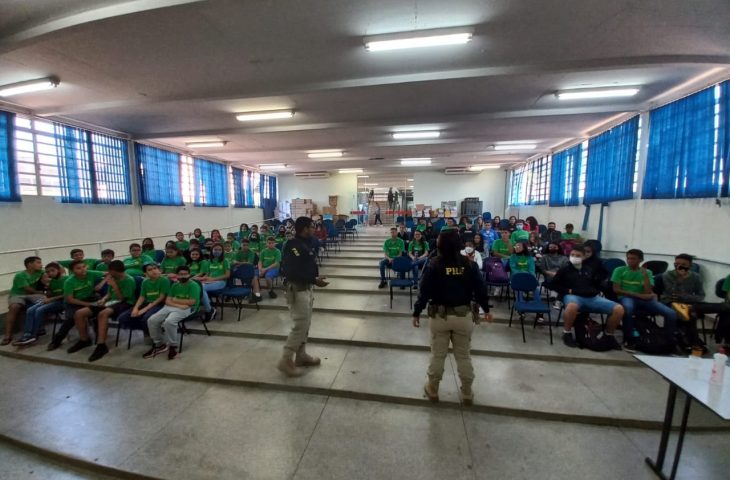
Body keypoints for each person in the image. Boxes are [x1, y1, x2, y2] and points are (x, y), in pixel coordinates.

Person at [412, 228, 492, 405]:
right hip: (463, 317)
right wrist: (486, 309)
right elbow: (480, 289)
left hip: (439, 317)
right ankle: (467, 392)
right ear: (459, 244)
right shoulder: (469, 265)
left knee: (437, 355)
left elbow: (424, 291)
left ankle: (432, 389)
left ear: (440, 244)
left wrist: (417, 312)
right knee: (463, 356)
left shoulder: (434, 264)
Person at [277, 216, 329, 376]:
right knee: (300, 325)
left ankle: (301, 355)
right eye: (311, 227)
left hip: (307, 287)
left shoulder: (307, 242)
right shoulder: (292, 245)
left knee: (306, 324)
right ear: (305, 228)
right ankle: (285, 360)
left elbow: (308, 262)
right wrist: (313, 279)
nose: (314, 229)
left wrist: (314, 279)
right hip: (297, 289)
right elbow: (292, 271)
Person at [551, 245, 623, 349]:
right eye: (572, 255)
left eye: (578, 255)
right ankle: (567, 333)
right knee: (571, 306)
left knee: (618, 309)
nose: (574, 257)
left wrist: (596, 289)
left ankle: (609, 336)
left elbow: (598, 283)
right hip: (573, 297)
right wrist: (568, 290)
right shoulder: (565, 269)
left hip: (592, 298)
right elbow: (553, 284)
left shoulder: (590, 269)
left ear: (584, 257)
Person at [64, 260, 135, 362]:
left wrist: (115, 286)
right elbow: (109, 294)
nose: (108, 273)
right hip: (111, 302)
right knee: (79, 313)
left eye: (110, 271)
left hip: (125, 303)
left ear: (115, 271)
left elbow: (121, 299)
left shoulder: (128, 280)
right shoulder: (112, 277)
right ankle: (84, 340)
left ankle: (101, 345)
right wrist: (103, 299)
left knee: (103, 314)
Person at [612, 249, 677, 352]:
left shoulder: (647, 272)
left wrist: (645, 276)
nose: (630, 261)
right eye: (628, 258)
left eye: (633, 259)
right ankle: (629, 339)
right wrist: (638, 295)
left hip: (644, 299)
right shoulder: (619, 270)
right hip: (626, 297)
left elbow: (648, 291)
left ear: (640, 260)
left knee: (671, 313)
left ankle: (668, 341)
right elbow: (616, 290)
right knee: (628, 309)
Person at [144, 265, 201, 360]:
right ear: (177, 275)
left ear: (189, 274)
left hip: (189, 308)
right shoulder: (174, 285)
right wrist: (179, 304)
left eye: (185, 274)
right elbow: (167, 301)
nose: (183, 276)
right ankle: (159, 344)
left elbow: (192, 302)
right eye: (180, 274)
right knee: (151, 320)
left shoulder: (193, 285)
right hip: (175, 306)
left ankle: (173, 346)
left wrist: (175, 300)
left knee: (169, 322)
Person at [47, 260, 105, 351]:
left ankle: (98, 337)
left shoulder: (90, 273)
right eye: (78, 268)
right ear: (72, 271)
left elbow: (109, 274)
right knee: (71, 318)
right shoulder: (69, 281)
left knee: (99, 311)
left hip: (90, 298)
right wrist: (88, 304)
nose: (82, 270)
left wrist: (101, 283)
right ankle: (57, 340)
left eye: (84, 267)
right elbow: (70, 299)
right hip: (74, 302)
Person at [13, 262, 67, 346]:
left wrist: (51, 299)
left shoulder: (66, 279)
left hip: (63, 302)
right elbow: (49, 294)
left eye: (52, 271)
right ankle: (27, 334)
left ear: (59, 270)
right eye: (48, 272)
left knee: (39, 310)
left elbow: (67, 295)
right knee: (30, 309)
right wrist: (46, 294)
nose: (50, 273)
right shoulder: (52, 281)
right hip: (53, 301)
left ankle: (33, 335)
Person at [117, 263, 170, 346]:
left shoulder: (164, 280)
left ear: (159, 270)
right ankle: (149, 330)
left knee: (146, 318)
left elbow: (161, 298)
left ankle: (151, 332)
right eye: (150, 270)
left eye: (155, 268)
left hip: (160, 304)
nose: (153, 271)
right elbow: (141, 297)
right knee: (123, 318)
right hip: (147, 303)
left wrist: (144, 309)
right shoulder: (145, 282)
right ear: (145, 273)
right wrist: (136, 308)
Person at [3, 256, 46, 345]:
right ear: (29, 264)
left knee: (45, 302)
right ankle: (8, 335)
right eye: (38, 262)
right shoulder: (20, 275)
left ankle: (40, 327)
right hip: (18, 294)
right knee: (14, 307)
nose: (41, 265)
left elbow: (57, 271)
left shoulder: (41, 272)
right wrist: (40, 292)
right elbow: (27, 289)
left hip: (33, 295)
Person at [201, 243, 229, 319]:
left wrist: (213, 279)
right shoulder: (209, 261)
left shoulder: (225, 261)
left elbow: (227, 275)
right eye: (215, 249)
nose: (217, 251)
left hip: (221, 282)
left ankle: (209, 310)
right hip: (209, 281)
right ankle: (210, 307)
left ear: (222, 251)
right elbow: (207, 274)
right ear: (212, 250)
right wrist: (202, 279)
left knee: (200, 289)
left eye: (219, 250)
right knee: (197, 286)